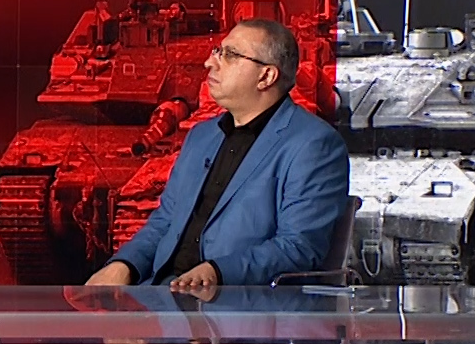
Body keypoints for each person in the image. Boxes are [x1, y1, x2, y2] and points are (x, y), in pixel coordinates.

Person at [87, 18, 349, 294]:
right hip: (163, 298)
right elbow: (166, 221)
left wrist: (218, 272)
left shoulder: (314, 145)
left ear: (266, 77)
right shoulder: (201, 136)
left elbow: (298, 248)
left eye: (230, 55)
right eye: (217, 51)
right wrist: (125, 264)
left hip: (239, 304)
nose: (209, 63)